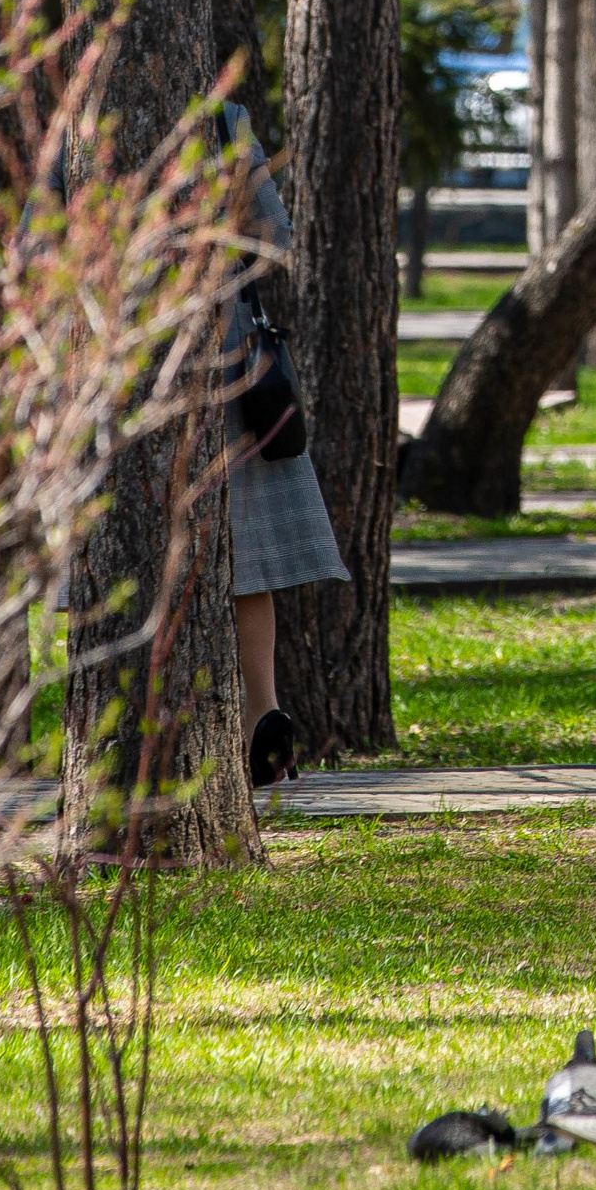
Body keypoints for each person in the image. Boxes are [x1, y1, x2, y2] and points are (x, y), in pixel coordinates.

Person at [219, 102, 351, 790]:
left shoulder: (82, 115)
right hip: (231, 357)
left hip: (128, 355)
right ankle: (261, 713)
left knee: (144, 563)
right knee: (249, 560)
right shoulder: (221, 119)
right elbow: (274, 233)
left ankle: (166, 733)